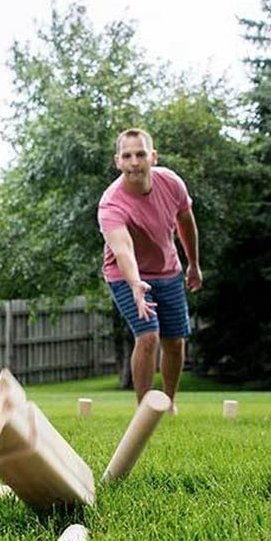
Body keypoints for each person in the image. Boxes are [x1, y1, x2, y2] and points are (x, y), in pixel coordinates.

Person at [98, 128, 203, 408]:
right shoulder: (111, 203)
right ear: (118, 161)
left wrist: (194, 264)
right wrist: (135, 284)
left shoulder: (171, 183)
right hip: (124, 275)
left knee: (175, 341)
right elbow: (123, 250)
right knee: (148, 336)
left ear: (153, 157)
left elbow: (186, 223)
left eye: (140, 154)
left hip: (168, 269)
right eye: (128, 156)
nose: (134, 162)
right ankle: (144, 409)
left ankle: (169, 403)